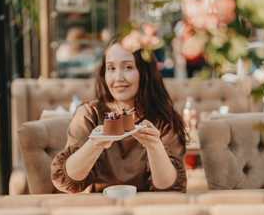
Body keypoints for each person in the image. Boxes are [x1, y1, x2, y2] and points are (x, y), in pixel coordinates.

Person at [51, 35, 188, 193]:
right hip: (102, 211)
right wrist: (94, 144)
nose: (118, 78)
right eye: (111, 68)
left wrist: (154, 146)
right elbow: (68, 182)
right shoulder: (90, 114)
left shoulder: (163, 120)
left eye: (128, 67)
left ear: (145, 72)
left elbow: (169, 189)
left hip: (148, 210)